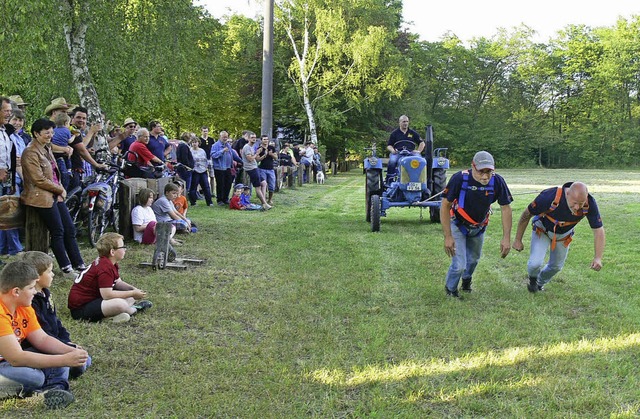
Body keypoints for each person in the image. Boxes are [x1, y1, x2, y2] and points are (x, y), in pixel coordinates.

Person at [0, 261, 88, 409]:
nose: (35, 292)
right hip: (9, 360)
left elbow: (42, 339)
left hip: (7, 361)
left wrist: (71, 351)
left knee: (54, 354)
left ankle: (54, 390)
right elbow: (16, 358)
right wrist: (63, 359)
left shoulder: (23, 306)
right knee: (35, 377)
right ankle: (32, 395)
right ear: (16, 291)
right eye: (31, 288)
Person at [440, 151, 513, 298]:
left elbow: (506, 208)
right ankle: (451, 290)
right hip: (458, 224)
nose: (485, 176)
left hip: (479, 227)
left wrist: (506, 238)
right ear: (473, 167)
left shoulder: (497, 181)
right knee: (459, 265)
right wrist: (448, 236)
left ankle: (466, 281)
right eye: (481, 172)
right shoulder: (460, 179)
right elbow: (445, 205)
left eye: (489, 172)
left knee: (473, 261)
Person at [21, 119, 85, 279]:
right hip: (41, 196)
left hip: (55, 194)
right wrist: (60, 189)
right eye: (46, 133)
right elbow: (38, 179)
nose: (50, 136)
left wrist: (59, 190)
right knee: (58, 231)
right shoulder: (30, 152)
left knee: (70, 228)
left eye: (51, 132)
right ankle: (66, 267)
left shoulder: (46, 148)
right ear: (36, 134)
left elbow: (55, 173)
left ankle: (79, 264)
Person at [513, 182, 605, 292]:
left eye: (581, 204)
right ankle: (532, 279)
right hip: (542, 230)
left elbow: (598, 230)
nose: (577, 207)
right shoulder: (549, 196)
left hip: (564, 236)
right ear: (567, 194)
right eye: (575, 203)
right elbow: (526, 215)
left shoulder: (590, 204)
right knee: (535, 263)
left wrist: (598, 257)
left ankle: (539, 283)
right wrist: (518, 240)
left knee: (556, 266)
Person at [21, 251, 91, 378]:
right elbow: (42, 334)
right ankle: (56, 381)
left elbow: (56, 322)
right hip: (36, 347)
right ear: (36, 276)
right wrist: (64, 348)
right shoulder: (30, 302)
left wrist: (67, 342)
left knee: (85, 358)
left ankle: (63, 367)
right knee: (70, 363)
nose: (53, 274)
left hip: (54, 342)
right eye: (49, 271)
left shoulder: (46, 293)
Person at [67, 232, 152, 323]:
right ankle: (133, 310)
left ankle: (113, 314)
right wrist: (132, 293)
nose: (125, 249)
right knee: (121, 304)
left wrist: (134, 290)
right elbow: (107, 295)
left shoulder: (108, 262)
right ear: (112, 252)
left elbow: (118, 282)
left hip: (95, 299)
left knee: (130, 297)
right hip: (81, 309)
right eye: (122, 247)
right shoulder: (105, 268)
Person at [386, 115, 425, 184]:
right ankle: (390, 180)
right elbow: (389, 145)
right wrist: (393, 151)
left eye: (407, 121)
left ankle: (421, 181)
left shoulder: (413, 133)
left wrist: (418, 151)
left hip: (411, 153)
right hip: (398, 153)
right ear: (399, 123)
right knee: (392, 161)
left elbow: (422, 143)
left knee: (420, 161)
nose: (405, 123)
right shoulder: (394, 133)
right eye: (404, 122)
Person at [241, 132, 271, 210]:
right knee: (257, 187)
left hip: (255, 167)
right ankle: (264, 204)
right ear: (248, 138)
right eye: (252, 137)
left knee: (264, 183)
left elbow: (256, 160)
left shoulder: (252, 146)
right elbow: (250, 159)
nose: (254, 139)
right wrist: (257, 153)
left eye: (255, 137)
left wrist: (264, 155)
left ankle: (264, 201)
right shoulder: (247, 147)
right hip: (251, 169)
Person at [211, 130, 239, 206]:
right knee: (220, 184)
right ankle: (219, 200)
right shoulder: (215, 145)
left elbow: (233, 155)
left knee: (228, 183)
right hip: (219, 168)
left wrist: (241, 161)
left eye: (226, 137)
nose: (225, 138)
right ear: (220, 137)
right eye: (224, 137)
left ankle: (225, 198)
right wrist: (222, 151)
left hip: (228, 167)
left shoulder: (228, 145)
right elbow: (213, 155)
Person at [189, 135, 213, 206]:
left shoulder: (202, 151)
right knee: (193, 187)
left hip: (203, 170)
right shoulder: (190, 151)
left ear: (198, 143)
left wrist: (207, 167)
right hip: (195, 171)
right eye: (193, 142)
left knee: (206, 186)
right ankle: (193, 202)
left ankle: (209, 202)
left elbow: (206, 160)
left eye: (195, 142)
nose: (194, 144)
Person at [256, 135, 277, 206]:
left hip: (271, 169)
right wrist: (264, 155)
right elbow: (257, 159)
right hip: (262, 169)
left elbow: (276, 157)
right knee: (263, 185)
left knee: (272, 185)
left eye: (267, 139)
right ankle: (263, 200)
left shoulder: (271, 148)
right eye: (264, 139)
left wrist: (271, 154)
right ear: (261, 140)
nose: (266, 140)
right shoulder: (259, 149)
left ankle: (270, 199)